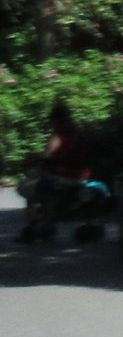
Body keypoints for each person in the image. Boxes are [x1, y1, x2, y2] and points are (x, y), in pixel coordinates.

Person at [18, 100, 101, 242]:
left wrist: (37, 159)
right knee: (45, 183)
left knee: (29, 186)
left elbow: (48, 156)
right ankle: (48, 223)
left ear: (56, 120)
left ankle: (35, 224)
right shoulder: (79, 133)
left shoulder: (60, 135)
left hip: (63, 177)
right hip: (81, 176)